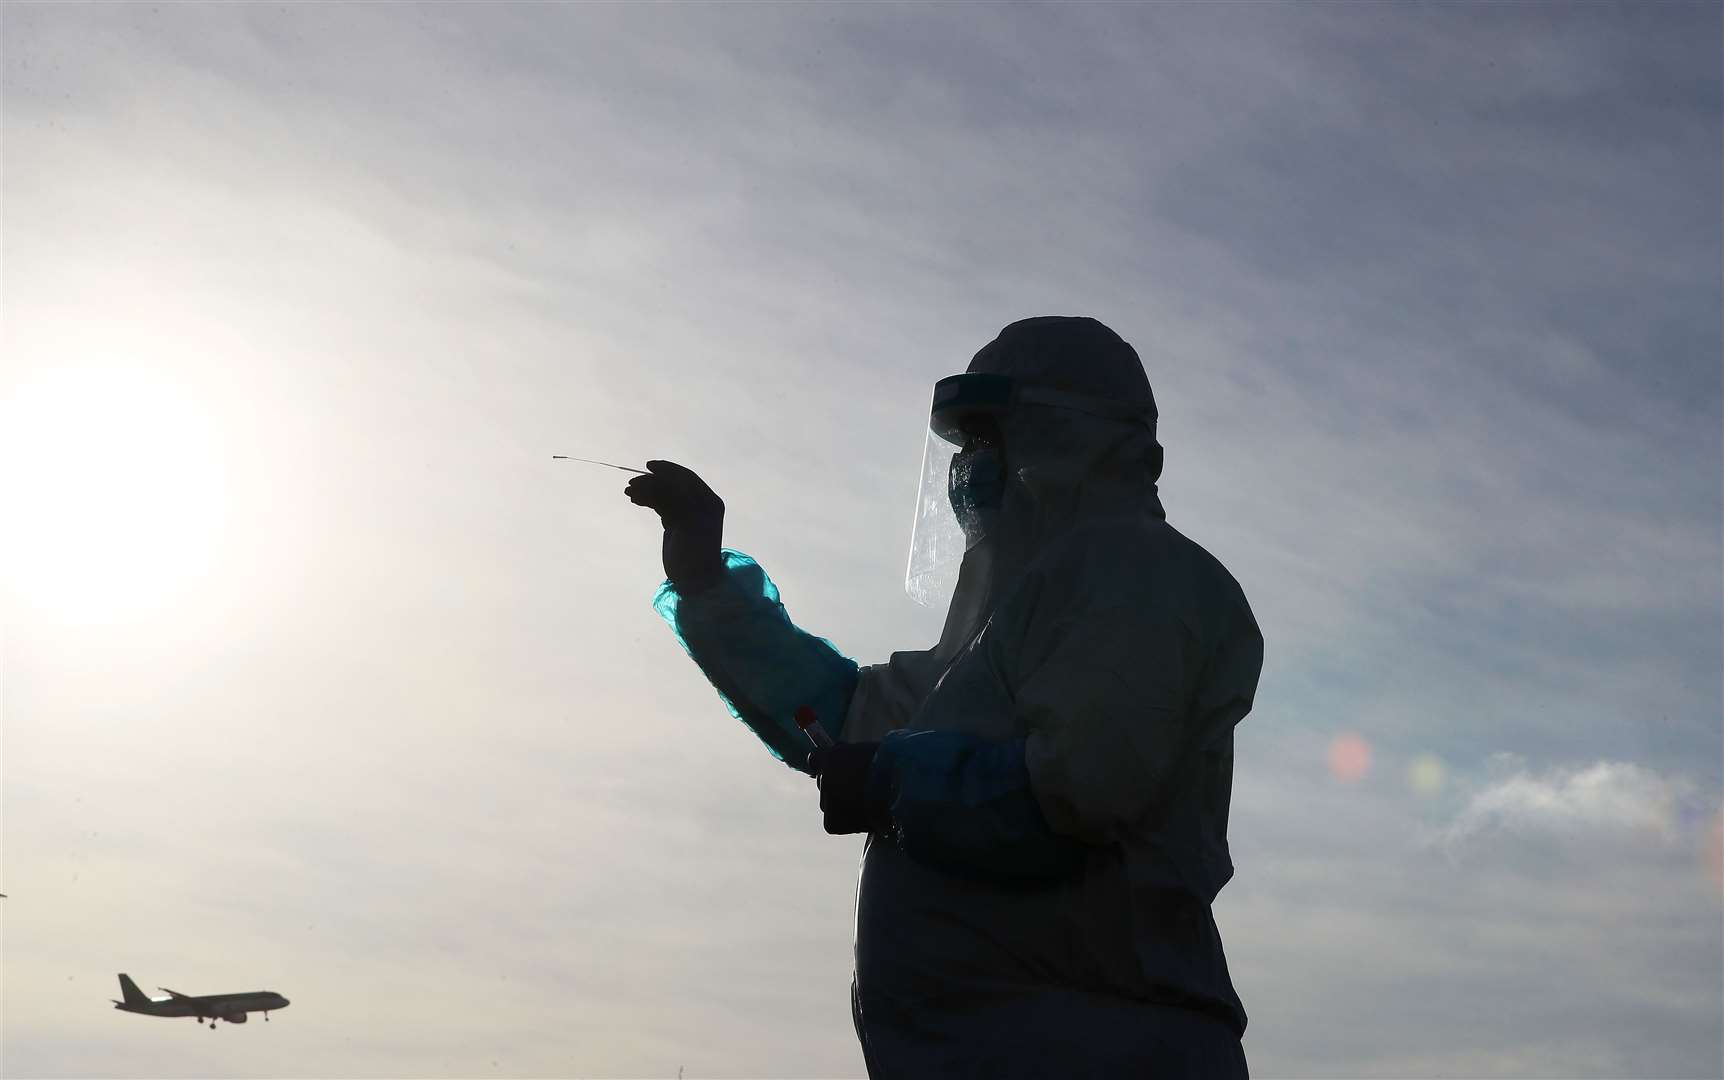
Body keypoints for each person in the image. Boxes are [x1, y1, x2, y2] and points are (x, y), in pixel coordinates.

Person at [626, 316, 1263, 1079]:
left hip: (1110, 1046)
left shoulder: (1139, 577)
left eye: (993, 439)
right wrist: (706, 584)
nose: (974, 469)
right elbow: (850, 720)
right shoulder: (1009, 622)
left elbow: (1081, 789)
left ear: (1073, 440)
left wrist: (891, 780)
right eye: (966, 448)